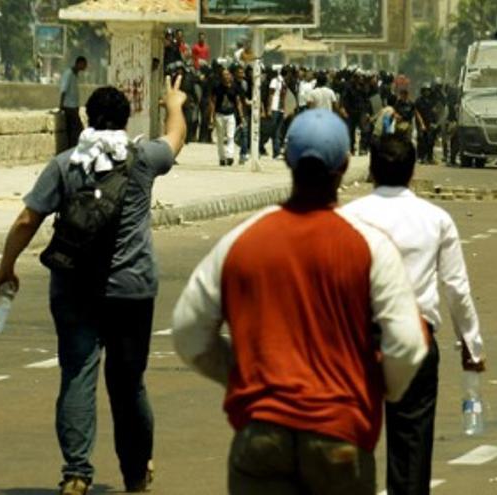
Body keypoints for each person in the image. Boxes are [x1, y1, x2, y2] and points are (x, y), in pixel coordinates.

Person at [172, 109, 428, 495]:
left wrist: (241, 377)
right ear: (344, 166)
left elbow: (188, 332)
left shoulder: (241, 241)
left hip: (260, 435)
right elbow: (407, 344)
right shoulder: (369, 246)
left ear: (288, 160)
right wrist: (380, 389)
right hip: (340, 434)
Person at [0, 77, 187, 495]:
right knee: (128, 382)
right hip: (132, 290)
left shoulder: (65, 164)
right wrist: (175, 102)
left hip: (75, 287)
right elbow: (176, 138)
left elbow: (28, 219)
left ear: (85, 118)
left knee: (78, 373)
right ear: (125, 120)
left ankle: (77, 473)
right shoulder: (144, 158)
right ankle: (136, 476)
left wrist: (6, 267)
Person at [343, 136, 486, 495]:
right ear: (413, 172)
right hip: (414, 340)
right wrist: (472, 345)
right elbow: (456, 288)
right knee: (411, 448)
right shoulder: (436, 219)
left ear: (371, 170)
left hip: (356, 342)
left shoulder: (348, 217)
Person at [210, 67, 244, 166]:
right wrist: (211, 117)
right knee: (220, 138)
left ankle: (230, 156)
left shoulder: (234, 87)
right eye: (224, 75)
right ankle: (222, 157)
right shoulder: (217, 87)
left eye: (228, 74)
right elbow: (213, 101)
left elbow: (238, 102)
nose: (226, 76)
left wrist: (241, 115)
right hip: (219, 114)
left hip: (230, 115)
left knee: (230, 136)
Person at [60, 56, 88, 150]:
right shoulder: (69, 74)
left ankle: (71, 148)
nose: (85, 67)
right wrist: (61, 105)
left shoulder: (75, 75)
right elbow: (63, 90)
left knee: (72, 130)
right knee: (78, 130)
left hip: (74, 106)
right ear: (79, 63)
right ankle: (72, 149)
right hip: (69, 107)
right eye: (84, 64)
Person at [266, 66, 288, 158]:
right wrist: (269, 108)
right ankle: (276, 150)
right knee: (274, 130)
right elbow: (271, 95)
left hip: (281, 109)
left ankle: (277, 151)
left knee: (278, 131)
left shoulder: (284, 82)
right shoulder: (275, 81)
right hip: (275, 107)